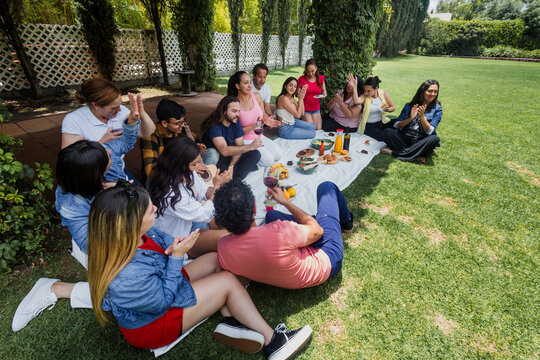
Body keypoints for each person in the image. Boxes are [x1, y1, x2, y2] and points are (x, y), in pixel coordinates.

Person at [87, 182, 313, 357]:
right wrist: (176, 257)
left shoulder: (137, 236)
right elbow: (162, 300)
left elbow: (165, 245)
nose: (155, 208)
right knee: (227, 281)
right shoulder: (126, 276)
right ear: (131, 224)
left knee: (216, 259)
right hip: (153, 324)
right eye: (150, 210)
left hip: (163, 284)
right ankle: (273, 342)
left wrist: (176, 247)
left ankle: (231, 320)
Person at [11, 126, 140, 332]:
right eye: (105, 154)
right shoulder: (71, 204)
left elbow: (123, 143)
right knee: (133, 291)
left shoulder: (98, 157)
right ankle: (57, 288)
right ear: (95, 173)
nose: (108, 151)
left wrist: (132, 122)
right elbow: (92, 245)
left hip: (131, 232)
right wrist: (113, 200)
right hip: (102, 244)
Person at [216, 179, 354, 289]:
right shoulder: (279, 232)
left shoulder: (223, 248)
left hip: (290, 262)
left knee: (271, 215)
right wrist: (285, 202)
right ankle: (347, 222)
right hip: (328, 259)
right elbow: (318, 231)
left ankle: (325, 218)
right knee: (326, 187)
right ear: (255, 208)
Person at [149, 137, 232, 258]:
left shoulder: (187, 173)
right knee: (224, 236)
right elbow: (205, 214)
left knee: (230, 215)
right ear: (180, 164)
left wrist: (218, 185)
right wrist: (217, 187)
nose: (196, 167)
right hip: (177, 239)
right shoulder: (171, 194)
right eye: (193, 164)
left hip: (190, 221)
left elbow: (205, 190)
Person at [61, 78, 155, 183]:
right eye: (114, 108)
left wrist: (141, 113)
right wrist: (102, 142)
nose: (119, 109)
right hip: (93, 176)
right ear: (95, 105)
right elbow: (71, 161)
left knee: (143, 196)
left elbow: (146, 132)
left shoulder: (120, 111)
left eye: (120, 105)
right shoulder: (74, 120)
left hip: (117, 168)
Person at [140, 98, 206, 181]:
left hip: (186, 170)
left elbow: (196, 140)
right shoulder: (150, 136)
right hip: (164, 177)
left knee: (211, 154)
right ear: (164, 123)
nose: (182, 125)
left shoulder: (181, 129)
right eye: (178, 123)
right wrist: (186, 169)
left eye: (183, 121)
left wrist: (198, 148)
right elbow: (151, 170)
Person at [227, 71, 283, 167]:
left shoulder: (256, 96)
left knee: (278, 155)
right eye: (245, 83)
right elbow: (235, 133)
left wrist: (267, 120)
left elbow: (263, 115)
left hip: (259, 136)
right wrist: (256, 125)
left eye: (250, 82)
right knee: (269, 161)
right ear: (237, 86)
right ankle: (245, 156)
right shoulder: (233, 105)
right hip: (245, 141)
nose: (250, 86)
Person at [200, 96, 262, 179]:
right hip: (216, 157)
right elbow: (224, 151)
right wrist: (250, 147)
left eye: (239, 111)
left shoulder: (235, 121)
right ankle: (238, 174)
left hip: (229, 155)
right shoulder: (214, 126)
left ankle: (235, 176)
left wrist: (231, 166)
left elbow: (239, 146)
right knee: (219, 168)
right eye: (234, 111)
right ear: (224, 111)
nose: (238, 114)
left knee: (255, 154)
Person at [382, 80, 442, 163]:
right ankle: (416, 154)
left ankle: (393, 152)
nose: (433, 94)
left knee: (435, 139)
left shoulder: (437, 109)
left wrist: (422, 117)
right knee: (387, 132)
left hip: (420, 141)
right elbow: (396, 125)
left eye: (435, 92)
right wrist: (410, 118)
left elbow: (429, 131)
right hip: (405, 138)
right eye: (430, 91)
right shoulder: (409, 106)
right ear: (422, 92)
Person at [354, 76, 396, 141]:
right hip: (369, 126)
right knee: (384, 135)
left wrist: (388, 109)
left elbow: (393, 107)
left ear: (376, 88)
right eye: (365, 90)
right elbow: (356, 101)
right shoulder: (365, 97)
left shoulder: (383, 93)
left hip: (382, 122)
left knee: (398, 122)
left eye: (368, 91)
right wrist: (354, 87)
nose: (366, 93)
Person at [298, 59, 327, 130]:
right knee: (311, 128)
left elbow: (324, 92)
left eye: (312, 71)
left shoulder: (320, 79)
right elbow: (297, 95)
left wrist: (323, 95)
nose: (310, 74)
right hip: (305, 109)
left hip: (316, 108)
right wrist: (302, 91)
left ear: (316, 68)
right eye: (308, 72)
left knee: (319, 129)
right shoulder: (302, 79)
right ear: (305, 70)